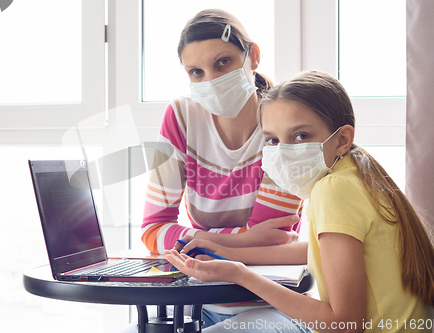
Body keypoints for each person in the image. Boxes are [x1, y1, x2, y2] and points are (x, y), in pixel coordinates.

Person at [165, 71, 434, 332]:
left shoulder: (334, 190)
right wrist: (231, 253)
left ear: (342, 139)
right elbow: (321, 251)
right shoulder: (354, 175)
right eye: (272, 140)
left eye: (301, 136)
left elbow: (343, 324)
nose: (284, 151)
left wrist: (240, 274)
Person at [141, 8, 303, 255]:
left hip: (268, 278)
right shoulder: (181, 116)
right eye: (197, 72)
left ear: (254, 56)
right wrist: (244, 238)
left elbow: (273, 239)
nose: (211, 81)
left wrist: (196, 241)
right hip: (200, 276)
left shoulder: (287, 120)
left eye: (223, 62)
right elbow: (152, 229)